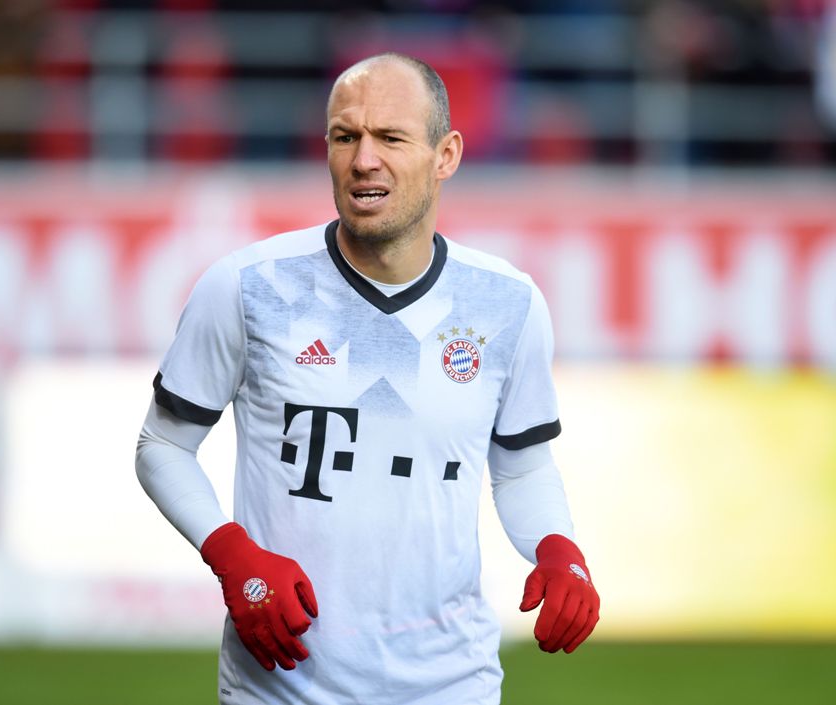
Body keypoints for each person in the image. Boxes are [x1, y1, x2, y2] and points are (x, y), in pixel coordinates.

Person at [136, 52, 600, 705]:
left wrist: (558, 548)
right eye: (345, 136)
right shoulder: (247, 286)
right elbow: (163, 445)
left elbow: (522, 466)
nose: (363, 160)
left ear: (446, 155)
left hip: (450, 682)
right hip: (281, 682)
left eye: (390, 137)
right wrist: (230, 553)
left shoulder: (508, 304)